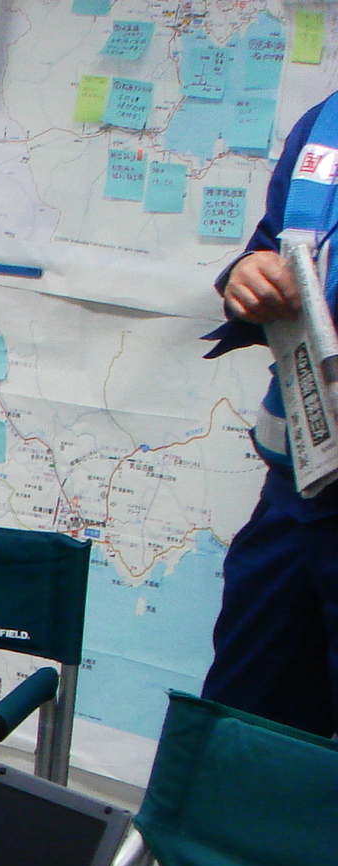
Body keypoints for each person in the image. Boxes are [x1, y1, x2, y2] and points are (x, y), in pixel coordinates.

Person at [202, 94, 338, 739]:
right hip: (294, 505)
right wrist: (247, 276)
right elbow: (275, 249)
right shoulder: (326, 123)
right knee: (238, 740)